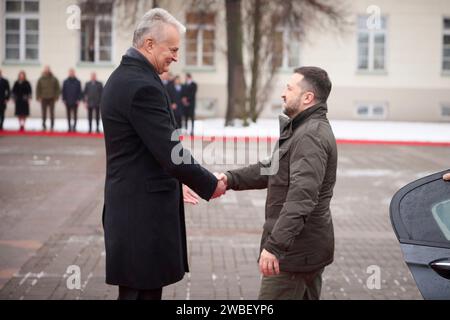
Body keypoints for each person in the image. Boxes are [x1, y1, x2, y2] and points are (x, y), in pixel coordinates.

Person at [100, 8, 226, 300]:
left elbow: (141, 150)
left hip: (131, 211)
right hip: (141, 217)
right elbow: (171, 153)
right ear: (149, 45)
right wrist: (210, 183)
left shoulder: (124, 77)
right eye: (172, 49)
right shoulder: (142, 86)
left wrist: (173, 182)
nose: (175, 57)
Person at [217, 67, 337, 300]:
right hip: (302, 250)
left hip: (293, 255)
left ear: (307, 97)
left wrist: (275, 247)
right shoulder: (303, 129)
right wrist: (231, 179)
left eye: (289, 88)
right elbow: (273, 168)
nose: (283, 94)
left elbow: (301, 199)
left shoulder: (310, 135)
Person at [36, 66, 60, 131]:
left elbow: (57, 88)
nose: (47, 71)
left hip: (52, 98)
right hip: (43, 98)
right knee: (44, 112)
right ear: (44, 71)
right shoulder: (41, 79)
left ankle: (52, 125)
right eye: (45, 70)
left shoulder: (54, 79)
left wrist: (56, 97)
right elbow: (38, 88)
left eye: (48, 70)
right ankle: (44, 124)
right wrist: (38, 97)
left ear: (50, 71)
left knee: (52, 112)